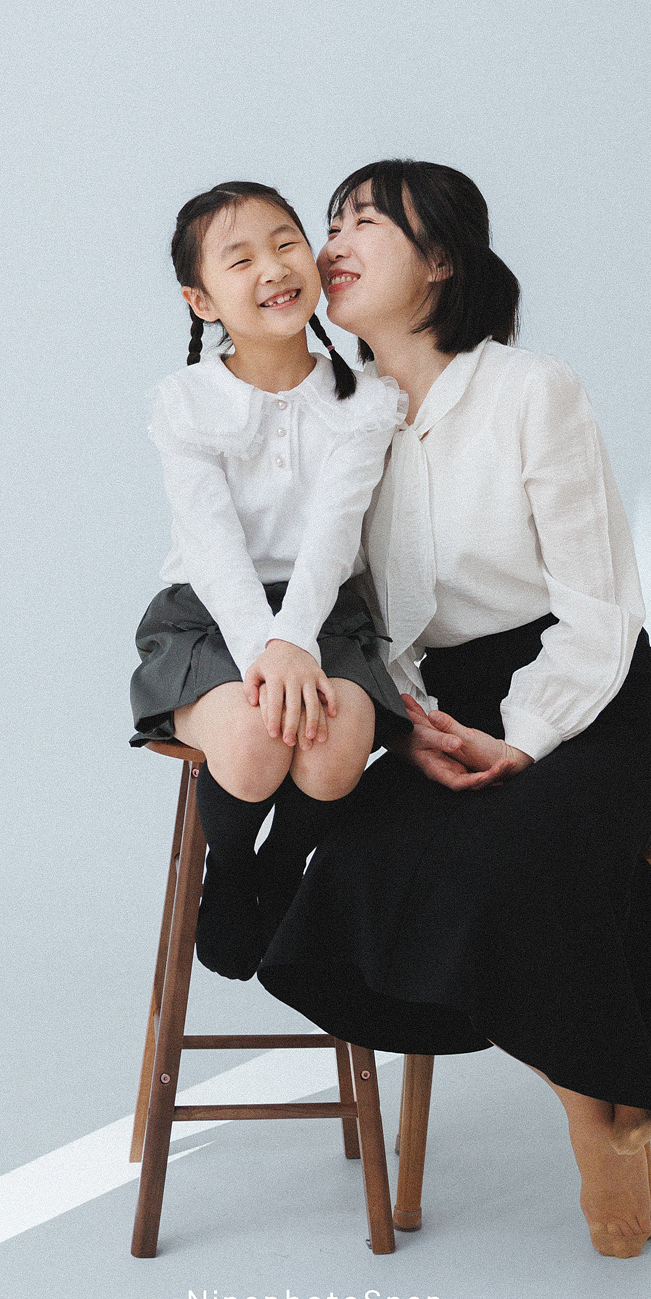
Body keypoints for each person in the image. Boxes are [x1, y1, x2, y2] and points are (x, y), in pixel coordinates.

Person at [259, 159, 651, 1259]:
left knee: (503, 860)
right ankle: (609, 1077)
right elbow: (356, 618)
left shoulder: (529, 391)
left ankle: (601, 1113)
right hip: (437, 713)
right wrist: (416, 724)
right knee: (352, 870)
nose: (332, 241)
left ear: (440, 261)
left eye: (364, 221)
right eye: (330, 221)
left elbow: (600, 609)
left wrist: (522, 736)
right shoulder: (339, 418)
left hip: (589, 702)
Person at [129, 180, 411, 982]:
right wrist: (266, 649)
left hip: (325, 616)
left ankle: (281, 868)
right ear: (201, 300)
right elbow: (212, 545)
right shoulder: (185, 402)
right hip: (210, 616)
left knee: (332, 752)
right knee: (255, 747)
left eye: (287, 243)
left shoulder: (365, 401)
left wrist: (295, 642)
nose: (275, 268)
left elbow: (334, 537)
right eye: (241, 259)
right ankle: (232, 872)